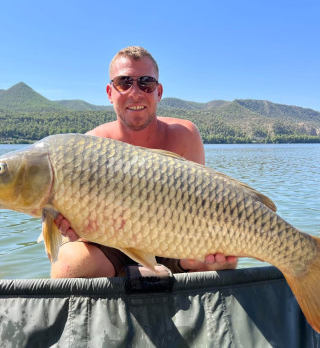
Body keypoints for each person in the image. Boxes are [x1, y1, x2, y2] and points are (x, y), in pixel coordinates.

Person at [51, 46, 238, 278]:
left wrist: (198, 249)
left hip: (176, 240)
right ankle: (130, 283)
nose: (135, 92)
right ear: (110, 93)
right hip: (114, 243)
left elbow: (201, 208)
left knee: (221, 262)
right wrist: (76, 230)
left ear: (158, 92)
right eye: (124, 82)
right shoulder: (92, 144)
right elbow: (87, 230)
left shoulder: (185, 135)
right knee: (68, 265)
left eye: (146, 83)